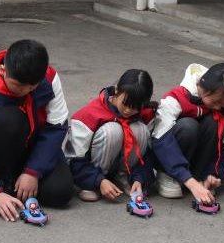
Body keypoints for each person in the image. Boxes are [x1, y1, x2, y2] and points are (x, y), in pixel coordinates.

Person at [0, 39, 73, 222]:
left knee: (60, 193)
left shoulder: (49, 78)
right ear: (3, 70)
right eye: (17, 85)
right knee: (9, 119)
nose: (24, 91)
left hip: (33, 148)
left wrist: (33, 171)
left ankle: (21, 182)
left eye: (32, 87)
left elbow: (56, 127)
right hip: (0, 149)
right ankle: (2, 183)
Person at [152, 62, 224, 205]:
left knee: (214, 122)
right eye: (217, 102)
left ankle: (198, 175)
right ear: (206, 90)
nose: (218, 107)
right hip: (169, 157)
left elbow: (223, 146)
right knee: (188, 126)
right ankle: (167, 175)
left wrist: (213, 174)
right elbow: (161, 140)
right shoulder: (175, 98)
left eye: (223, 104)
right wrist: (189, 182)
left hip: (195, 164)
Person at [64, 69, 156, 202]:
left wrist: (139, 178)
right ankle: (93, 184)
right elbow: (72, 159)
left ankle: (123, 176)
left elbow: (148, 155)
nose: (128, 110)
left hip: (124, 166)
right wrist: (98, 180)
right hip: (91, 168)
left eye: (135, 107)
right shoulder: (89, 115)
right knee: (112, 131)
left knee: (140, 130)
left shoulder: (146, 114)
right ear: (117, 90)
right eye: (125, 103)